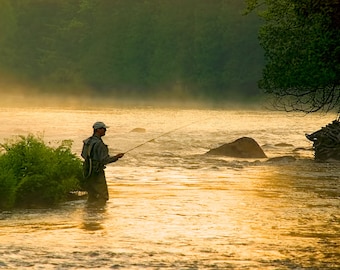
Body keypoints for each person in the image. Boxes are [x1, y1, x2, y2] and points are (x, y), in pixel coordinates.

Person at [81, 121, 124, 205]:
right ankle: (99, 213)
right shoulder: (99, 144)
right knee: (103, 196)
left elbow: (83, 155)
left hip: (87, 171)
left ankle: (90, 213)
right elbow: (105, 160)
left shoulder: (87, 141)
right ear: (98, 130)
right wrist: (116, 157)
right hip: (97, 172)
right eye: (103, 129)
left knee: (92, 195)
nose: (105, 131)